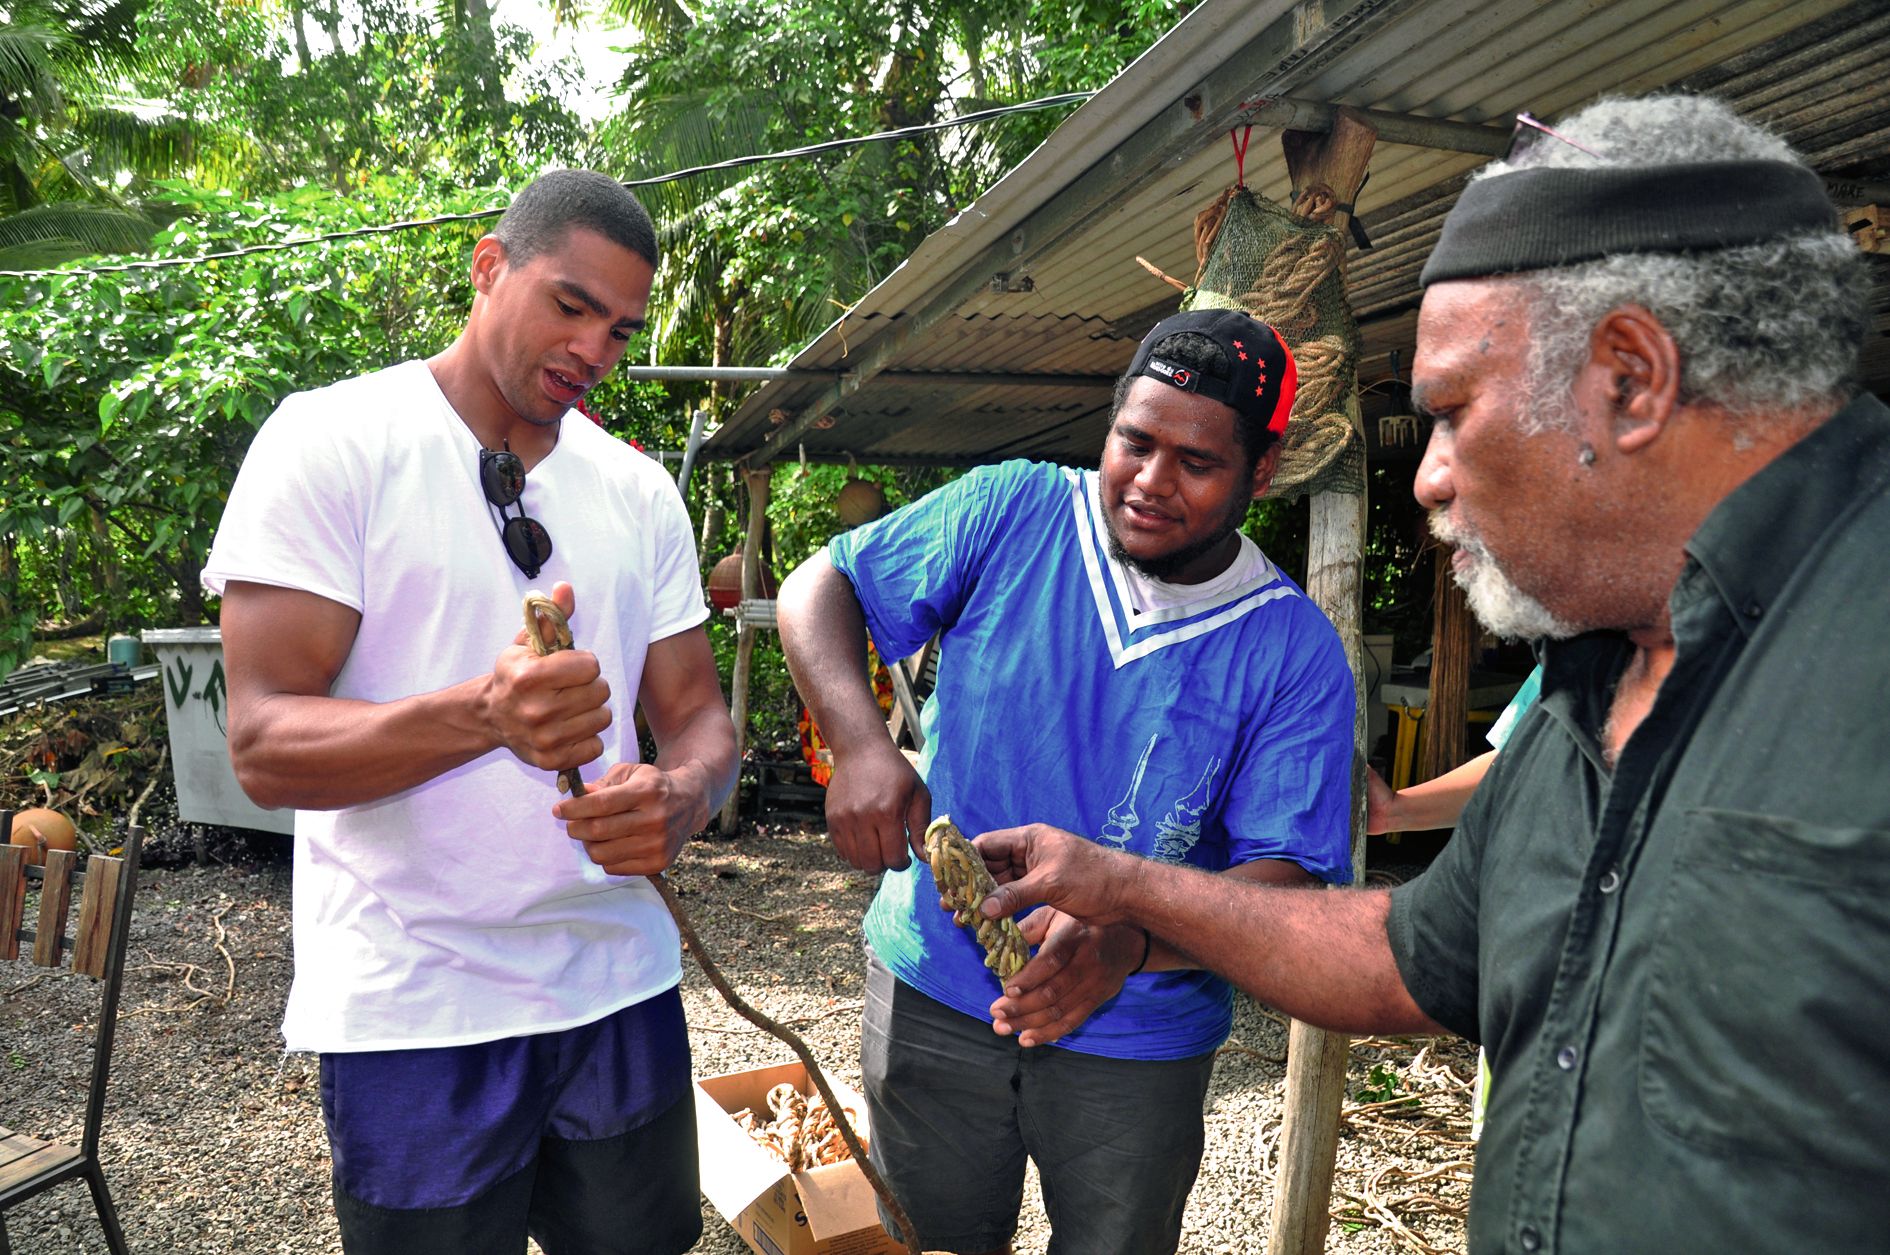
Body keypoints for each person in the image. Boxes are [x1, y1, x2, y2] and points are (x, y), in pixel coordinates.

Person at [970, 94, 1888, 1253]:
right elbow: (1405, 956)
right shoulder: (1589, 683)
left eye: (1452, 412)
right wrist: (1129, 888)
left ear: (1632, 378)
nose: (1428, 476)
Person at [204, 169, 738, 1255]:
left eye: (621, 329)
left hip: (616, 982)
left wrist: (681, 796)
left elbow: (700, 717)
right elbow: (262, 743)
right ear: (490, 267)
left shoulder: (638, 492)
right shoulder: (333, 442)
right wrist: (486, 715)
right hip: (416, 1003)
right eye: (571, 304)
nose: (594, 348)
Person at [776, 308, 1356, 1255]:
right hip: (936, 988)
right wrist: (861, 745)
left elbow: (1285, 885)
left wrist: (1130, 941)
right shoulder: (1014, 508)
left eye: (1198, 463)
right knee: (925, 1238)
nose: (1151, 482)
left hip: (1138, 1041)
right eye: (1136, 441)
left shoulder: (1293, 651)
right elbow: (821, 585)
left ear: (1264, 470)